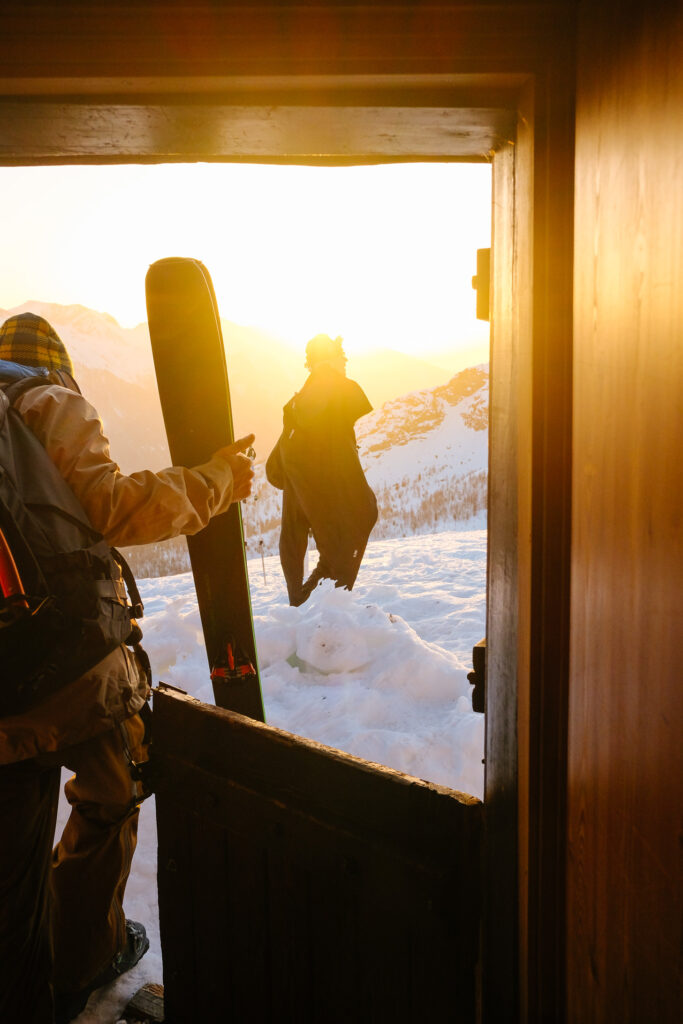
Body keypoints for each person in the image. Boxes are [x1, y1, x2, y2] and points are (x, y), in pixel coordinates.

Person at [0, 312, 255, 1024]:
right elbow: (113, 506)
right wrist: (216, 480)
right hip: (69, 670)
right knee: (111, 794)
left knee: (9, 867)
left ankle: (21, 985)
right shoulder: (49, 398)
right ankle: (85, 956)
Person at [266, 334, 377, 606]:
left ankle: (306, 605)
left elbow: (276, 472)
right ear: (328, 360)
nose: (346, 362)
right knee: (343, 554)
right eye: (342, 357)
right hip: (337, 506)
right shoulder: (329, 390)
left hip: (317, 499)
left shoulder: (298, 409)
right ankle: (316, 614)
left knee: (333, 560)